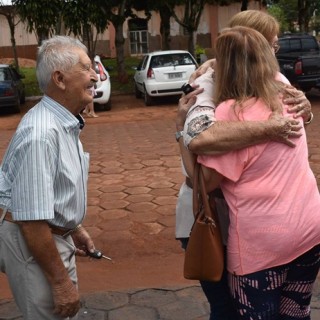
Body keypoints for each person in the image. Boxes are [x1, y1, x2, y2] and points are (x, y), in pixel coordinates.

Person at [175, 10, 313, 320]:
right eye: (270, 45)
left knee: (241, 311)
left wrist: (177, 131)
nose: (274, 52)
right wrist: (271, 126)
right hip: (219, 218)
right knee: (282, 312)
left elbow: (199, 163)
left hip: (257, 234)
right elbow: (201, 137)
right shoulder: (208, 88)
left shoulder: (265, 92)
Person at [0, 35, 98, 319]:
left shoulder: (63, 121)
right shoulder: (41, 134)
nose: (94, 76)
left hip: (51, 235)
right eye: (86, 68)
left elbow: (53, 190)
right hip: (35, 241)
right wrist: (60, 283)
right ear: (60, 78)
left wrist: (73, 228)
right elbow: (30, 220)